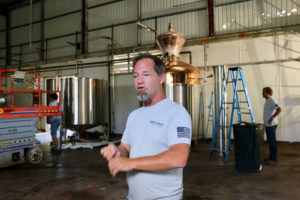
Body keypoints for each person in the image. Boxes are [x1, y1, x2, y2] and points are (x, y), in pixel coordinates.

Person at [100, 53, 192, 200]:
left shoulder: (177, 113)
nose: (139, 81)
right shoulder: (134, 115)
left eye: (146, 74)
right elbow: (126, 148)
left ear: (161, 77)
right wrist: (117, 151)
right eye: (135, 76)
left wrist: (130, 163)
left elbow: (178, 157)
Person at [262, 87, 282, 165]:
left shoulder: (272, 100)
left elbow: (279, 109)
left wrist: (272, 118)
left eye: (263, 92)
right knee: (270, 142)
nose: (262, 93)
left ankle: (273, 159)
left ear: (267, 93)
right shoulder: (268, 101)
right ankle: (271, 157)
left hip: (271, 125)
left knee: (272, 142)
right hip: (268, 125)